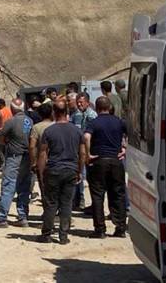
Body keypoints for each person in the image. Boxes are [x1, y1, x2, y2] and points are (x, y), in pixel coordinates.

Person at [37, 100, 86, 244]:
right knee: (66, 203)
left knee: (51, 203)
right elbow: (83, 153)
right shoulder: (77, 131)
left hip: (53, 170)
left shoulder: (49, 131)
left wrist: (41, 173)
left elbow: (43, 154)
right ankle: (63, 235)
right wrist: (79, 170)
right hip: (70, 170)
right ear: (67, 112)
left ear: (54, 112)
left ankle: (46, 234)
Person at [84, 96, 128, 238]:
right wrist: (125, 148)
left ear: (96, 108)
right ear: (110, 107)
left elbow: (86, 137)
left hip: (99, 161)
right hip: (115, 161)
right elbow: (132, 134)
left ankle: (100, 229)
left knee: (97, 195)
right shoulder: (119, 121)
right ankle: (120, 227)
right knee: (118, 194)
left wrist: (89, 154)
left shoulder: (94, 123)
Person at [0, 98, 32, 228]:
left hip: (13, 157)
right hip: (27, 157)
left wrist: (7, 142)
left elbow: (0, 138)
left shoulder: (11, 122)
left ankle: (2, 218)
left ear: (12, 109)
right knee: (24, 188)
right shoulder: (29, 121)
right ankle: (23, 216)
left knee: (8, 186)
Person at [72, 92, 97, 211]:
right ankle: (78, 200)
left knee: (91, 178)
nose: (79, 104)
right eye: (78, 102)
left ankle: (94, 204)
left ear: (87, 102)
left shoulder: (92, 116)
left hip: (89, 150)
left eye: (81, 102)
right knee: (78, 175)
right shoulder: (76, 115)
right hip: (77, 150)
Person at [28, 103, 54, 199]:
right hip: (56, 159)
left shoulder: (36, 128)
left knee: (43, 185)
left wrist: (33, 162)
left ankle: (47, 206)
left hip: (41, 160)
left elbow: (32, 146)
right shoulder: (56, 125)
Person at [0, 98, 13, 171]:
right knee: (6, 149)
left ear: (0, 104)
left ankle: (3, 163)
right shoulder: (10, 111)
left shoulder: (0, 112)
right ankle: (4, 164)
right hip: (10, 131)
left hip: (2, 131)